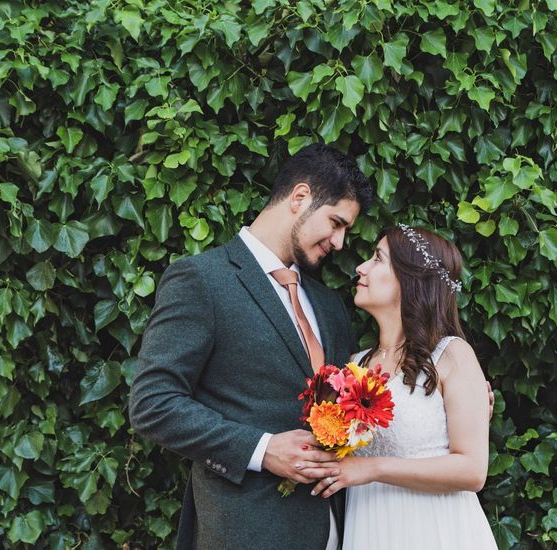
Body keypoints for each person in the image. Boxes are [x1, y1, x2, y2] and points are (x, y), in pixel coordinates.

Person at [129, 143, 373, 550]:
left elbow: (359, 399)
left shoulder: (329, 306)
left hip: (336, 532)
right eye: (336, 222)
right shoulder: (201, 281)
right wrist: (262, 449)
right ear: (300, 197)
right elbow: (153, 403)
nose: (341, 242)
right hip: (244, 531)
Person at [311, 224, 499, 550]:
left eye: (378, 259)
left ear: (409, 279)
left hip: (437, 530)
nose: (361, 267)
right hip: (370, 528)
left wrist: (372, 468)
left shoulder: (452, 355)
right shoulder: (354, 367)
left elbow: (472, 469)